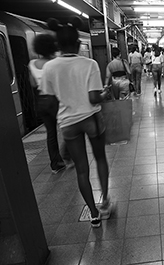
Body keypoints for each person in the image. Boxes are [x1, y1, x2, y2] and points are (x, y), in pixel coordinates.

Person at [41, 16, 112, 228]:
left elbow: (49, 102)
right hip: (91, 119)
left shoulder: (49, 68)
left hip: (68, 123)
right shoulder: (89, 64)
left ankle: (93, 214)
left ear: (58, 45)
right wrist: (105, 94)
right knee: (100, 159)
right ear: (79, 43)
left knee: (81, 169)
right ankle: (106, 202)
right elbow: (93, 98)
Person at [28, 33, 72, 174]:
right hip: (56, 99)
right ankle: (67, 154)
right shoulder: (55, 63)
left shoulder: (32, 64)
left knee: (51, 134)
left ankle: (56, 164)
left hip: (42, 101)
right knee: (67, 126)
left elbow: (33, 84)